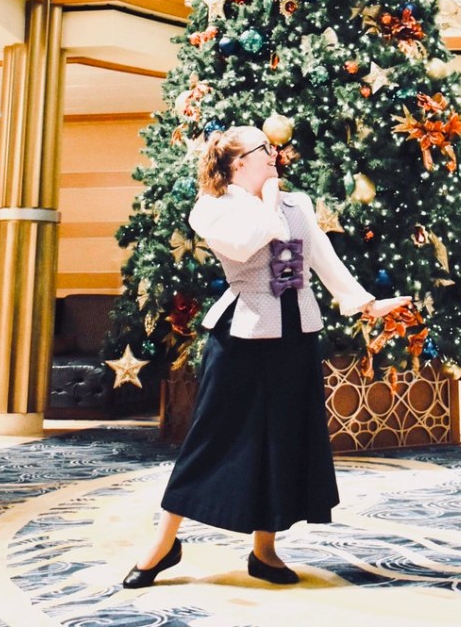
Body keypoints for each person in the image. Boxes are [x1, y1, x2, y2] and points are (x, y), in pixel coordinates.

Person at [122, 124, 411, 589]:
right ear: (238, 163)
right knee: (210, 439)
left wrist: (363, 302)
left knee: (283, 439)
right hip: (241, 334)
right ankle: (164, 545)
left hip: (296, 332)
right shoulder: (210, 209)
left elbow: (321, 256)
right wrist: (271, 201)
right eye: (264, 149)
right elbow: (246, 242)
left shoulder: (297, 204)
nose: (275, 154)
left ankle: (265, 550)